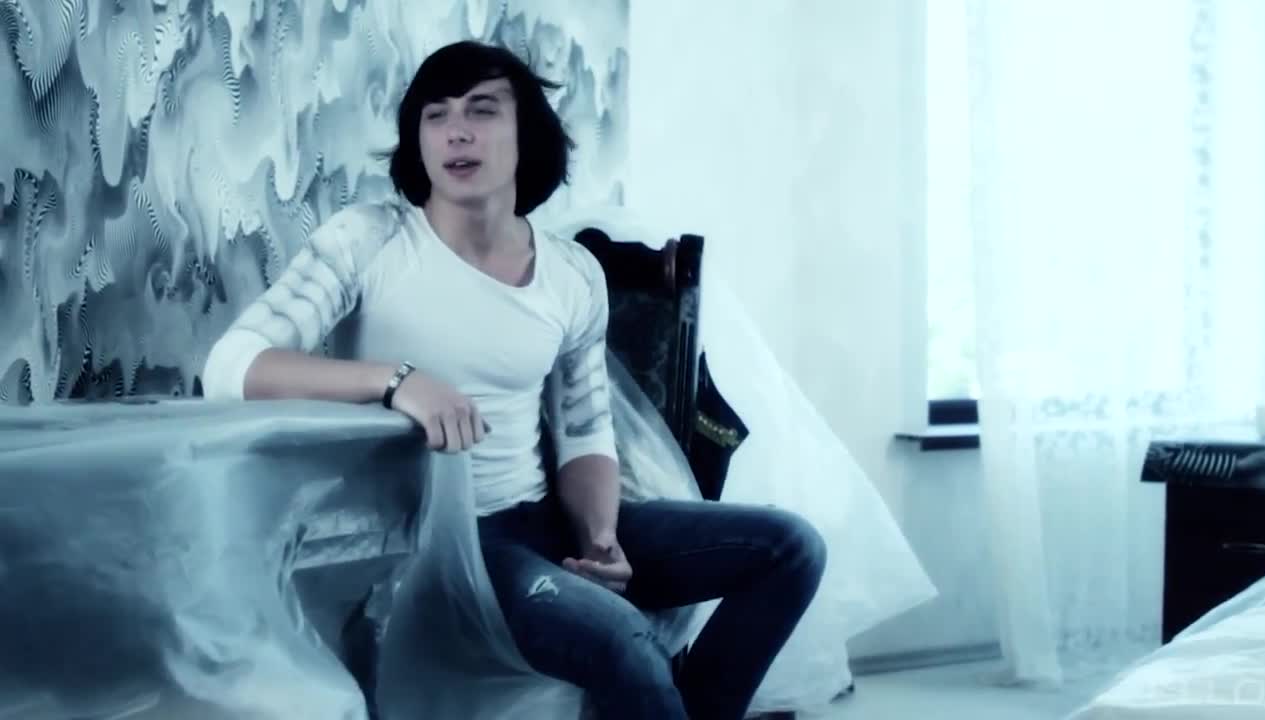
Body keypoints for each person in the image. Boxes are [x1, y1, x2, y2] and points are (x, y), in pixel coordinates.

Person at [202, 40, 826, 720]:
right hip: (449, 546)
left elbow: (586, 432)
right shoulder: (370, 239)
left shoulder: (571, 273)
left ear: (528, 133)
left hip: (546, 520)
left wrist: (600, 538)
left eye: (482, 109)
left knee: (791, 549)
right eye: (436, 115)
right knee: (623, 643)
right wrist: (397, 381)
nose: (457, 131)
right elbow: (232, 367)